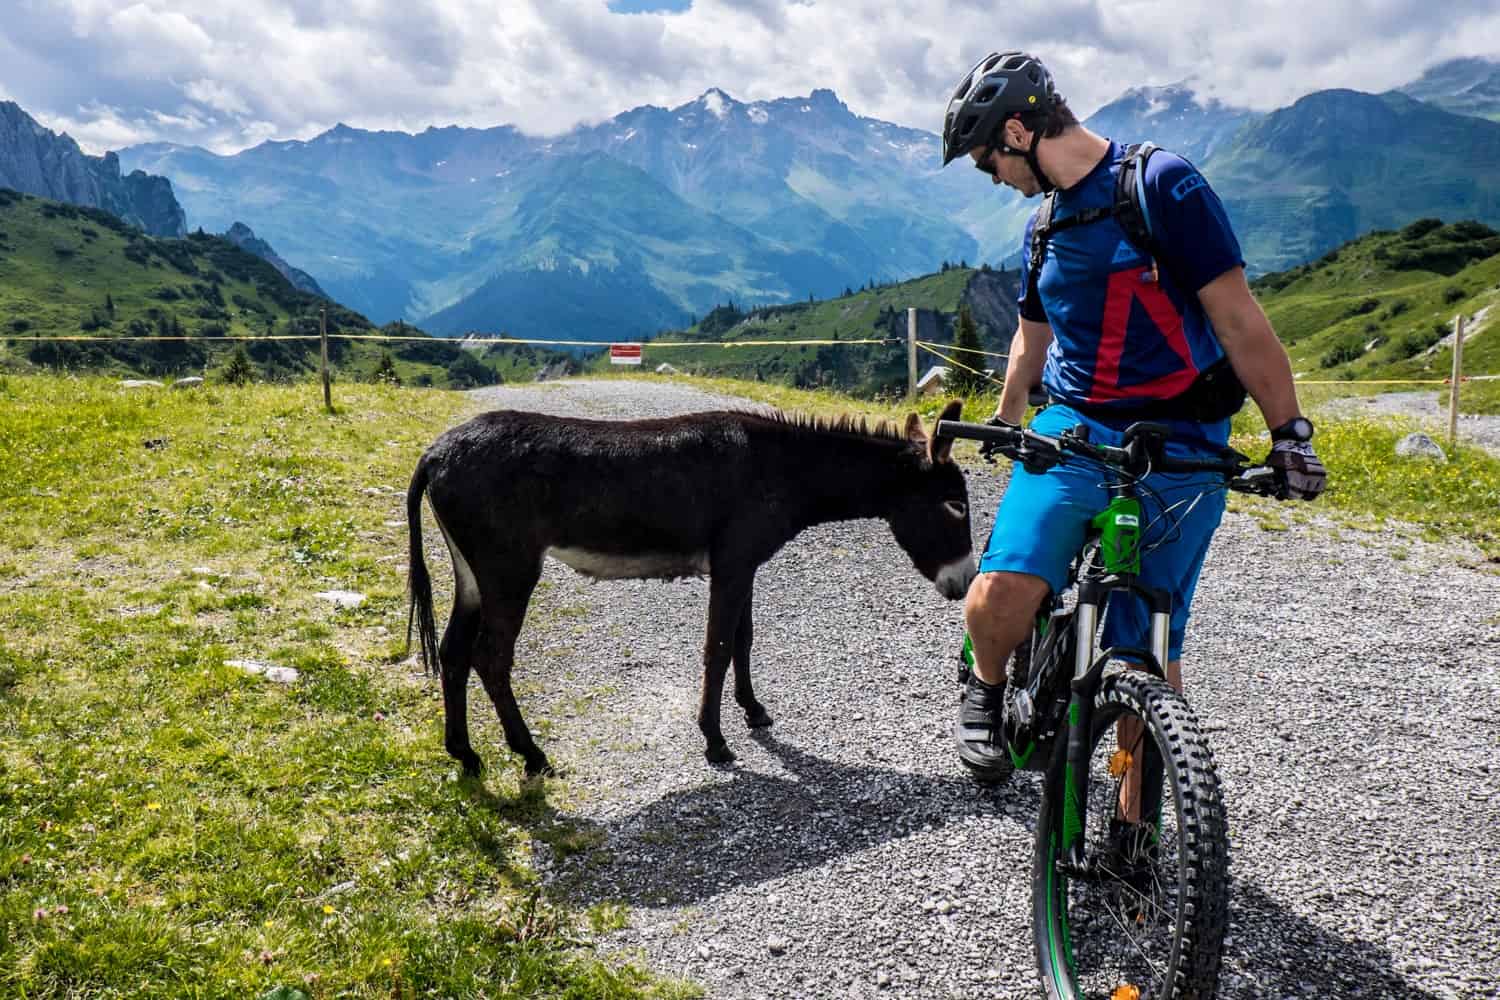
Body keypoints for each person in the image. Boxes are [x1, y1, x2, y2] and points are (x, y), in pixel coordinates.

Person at [938, 51, 1326, 786]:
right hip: (1074, 431)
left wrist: (1289, 436)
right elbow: (1033, 330)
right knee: (1001, 594)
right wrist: (1007, 415)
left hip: (1183, 443)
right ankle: (985, 688)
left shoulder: (1162, 187)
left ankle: (1143, 852)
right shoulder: (1043, 225)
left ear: (1018, 132)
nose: (993, 178)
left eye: (988, 159)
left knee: (1147, 653)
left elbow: (1240, 320)